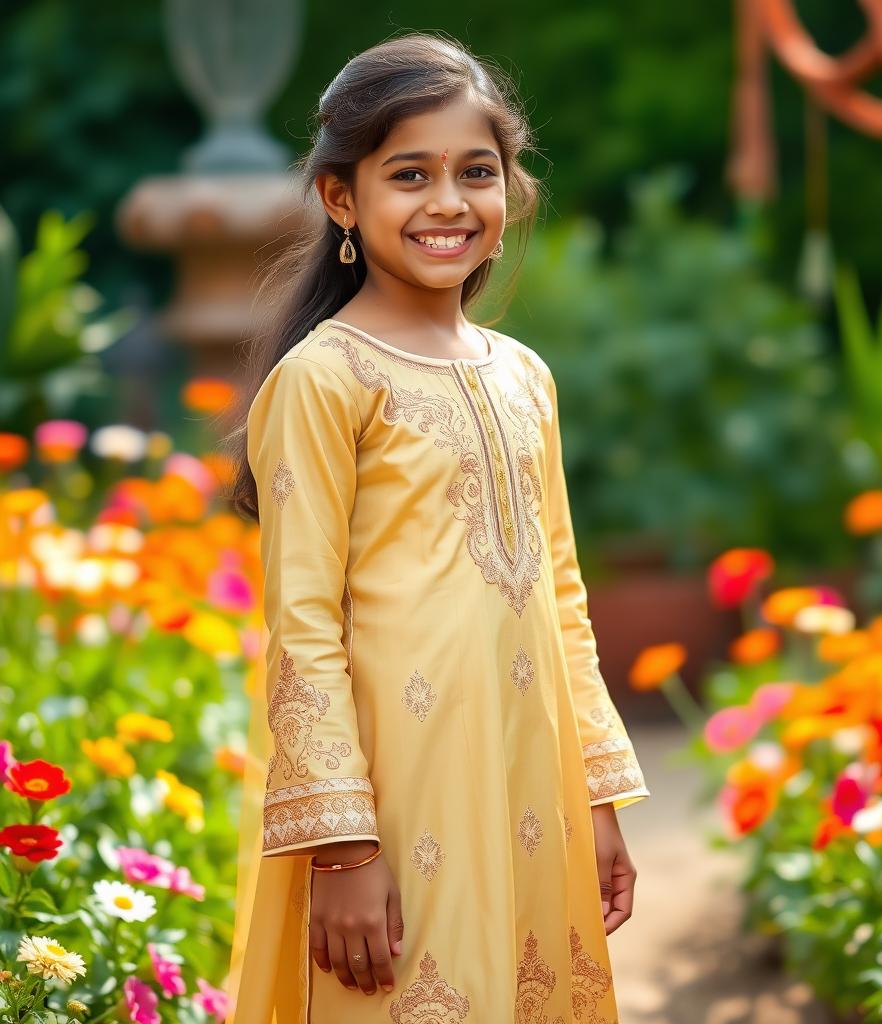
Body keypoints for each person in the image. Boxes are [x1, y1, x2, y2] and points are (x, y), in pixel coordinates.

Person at [224, 31, 651, 1024]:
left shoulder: (522, 376)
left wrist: (598, 795)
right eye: (409, 174)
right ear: (343, 198)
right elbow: (302, 626)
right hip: (396, 797)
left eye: (476, 173)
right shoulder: (324, 380)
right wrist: (341, 846)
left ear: (511, 191)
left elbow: (560, 592)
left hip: (529, 785)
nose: (448, 203)